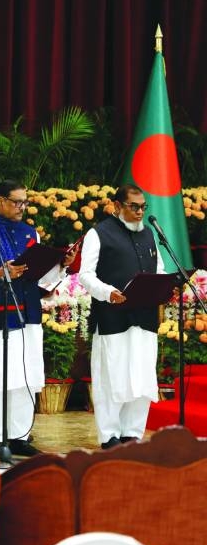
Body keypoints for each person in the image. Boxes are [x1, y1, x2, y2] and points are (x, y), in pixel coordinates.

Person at [0, 180, 74, 458]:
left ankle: (19, 436)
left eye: (25, 202)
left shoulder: (30, 232)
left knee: (26, 374)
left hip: (28, 311)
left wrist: (61, 265)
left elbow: (40, 275)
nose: (22, 207)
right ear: (0, 201)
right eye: (16, 202)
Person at [78, 184, 163, 449]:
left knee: (141, 376)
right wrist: (108, 292)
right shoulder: (98, 233)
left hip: (144, 317)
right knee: (111, 377)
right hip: (112, 317)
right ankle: (110, 436)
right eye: (133, 206)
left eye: (143, 207)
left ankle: (132, 434)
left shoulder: (149, 233)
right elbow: (85, 275)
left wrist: (166, 286)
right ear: (117, 206)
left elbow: (159, 269)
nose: (140, 212)